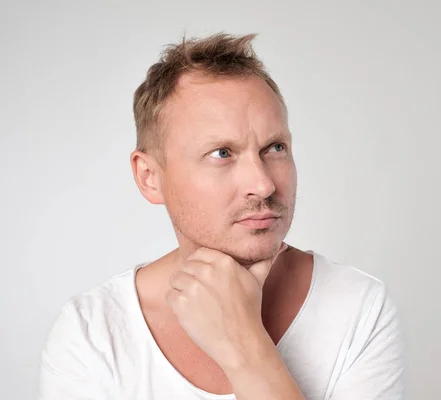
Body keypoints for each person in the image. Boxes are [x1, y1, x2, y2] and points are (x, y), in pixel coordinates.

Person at [37, 32, 404, 399]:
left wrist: (246, 348)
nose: (262, 185)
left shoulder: (357, 305)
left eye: (275, 148)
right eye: (222, 153)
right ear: (150, 178)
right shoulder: (93, 332)